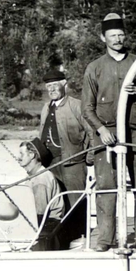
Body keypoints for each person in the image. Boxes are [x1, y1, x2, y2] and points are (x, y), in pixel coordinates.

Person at [80, 13, 136, 252]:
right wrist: (101, 129)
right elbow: (86, 108)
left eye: (120, 35)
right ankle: (105, 238)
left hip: (135, 133)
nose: (117, 39)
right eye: (112, 35)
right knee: (106, 187)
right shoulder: (94, 68)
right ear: (103, 37)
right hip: (106, 135)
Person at [36, 68, 89, 242]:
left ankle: (79, 237)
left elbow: (92, 131)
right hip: (51, 163)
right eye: (48, 86)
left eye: (55, 85)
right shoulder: (45, 107)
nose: (51, 89)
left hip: (73, 161)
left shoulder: (76, 105)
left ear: (64, 85)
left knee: (76, 199)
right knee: (57, 202)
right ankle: (60, 236)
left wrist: (89, 157)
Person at [19, 137, 78, 251]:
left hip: (47, 227)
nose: (18, 158)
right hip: (45, 223)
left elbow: (39, 213)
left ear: (31, 155)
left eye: (21, 154)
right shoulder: (35, 175)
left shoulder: (40, 179)